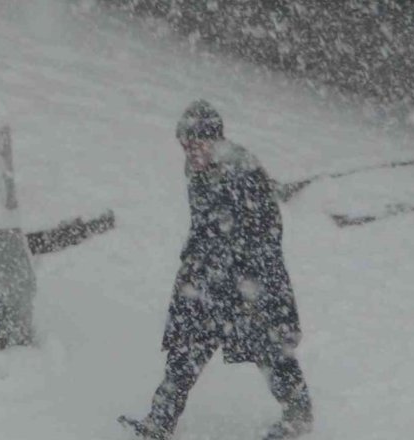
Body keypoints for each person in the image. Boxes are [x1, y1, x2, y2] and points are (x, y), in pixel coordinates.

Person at [118, 100, 313, 440]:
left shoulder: (243, 171)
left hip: (250, 279)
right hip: (206, 277)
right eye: (185, 146)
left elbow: (268, 232)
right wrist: (196, 263)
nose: (190, 152)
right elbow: (204, 224)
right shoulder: (195, 167)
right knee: (185, 351)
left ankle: (298, 416)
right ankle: (158, 424)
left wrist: (240, 272)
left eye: (196, 144)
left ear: (214, 139)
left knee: (270, 348)